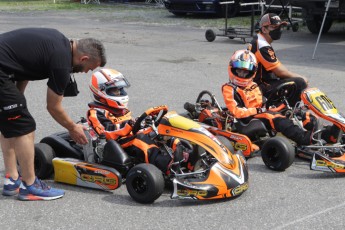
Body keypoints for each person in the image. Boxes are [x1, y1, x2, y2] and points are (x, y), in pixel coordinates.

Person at [0, 28, 106, 200]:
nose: (86, 72)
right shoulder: (62, 62)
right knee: (25, 127)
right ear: (83, 58)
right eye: (89, 68)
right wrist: (72, 128)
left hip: (4, 69)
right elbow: (53, 106)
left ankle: (12, 179)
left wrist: (17, 99)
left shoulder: (58, 42)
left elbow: (23, 67)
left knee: (11, 122)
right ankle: (30, 185)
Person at [87, 68, 186, 174]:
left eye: (120, 89)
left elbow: (131, 124)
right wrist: (129, 125)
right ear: (101, 92)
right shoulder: (96, 112)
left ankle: (185, 155)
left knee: (162, 132)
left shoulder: (120, 110)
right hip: (116, 144)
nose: (120, 92)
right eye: (115, 90)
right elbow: (107, 132)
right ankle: (167, 166)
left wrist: (143, 122)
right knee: (140, 140)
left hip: (130, 136)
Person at [222, 49, 316, 146]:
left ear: (252, 72)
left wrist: (268, 106)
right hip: (247, 119)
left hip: (260, 112)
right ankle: (303, 138)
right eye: (239, 71)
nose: (242, 75)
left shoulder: (252, 84)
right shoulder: (229, 88)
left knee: (292, 111)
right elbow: (236, 112)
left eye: (246, 72)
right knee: (275, 117)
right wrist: (258, 110)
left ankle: (321, 132)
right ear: (232, 68)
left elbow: (261, 101)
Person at [248, 13, 308, 108]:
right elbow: (280, 72)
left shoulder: (260, 40)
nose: (278, 30)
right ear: (264, 29)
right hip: (259, 86)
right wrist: (302, 78)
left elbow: (278, 68)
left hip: (260, 82)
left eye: (279, 27)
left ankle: (282, 108)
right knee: (299, 82)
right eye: (274, 27)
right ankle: (287, 113)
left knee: (289, 79)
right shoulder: (262, 45)